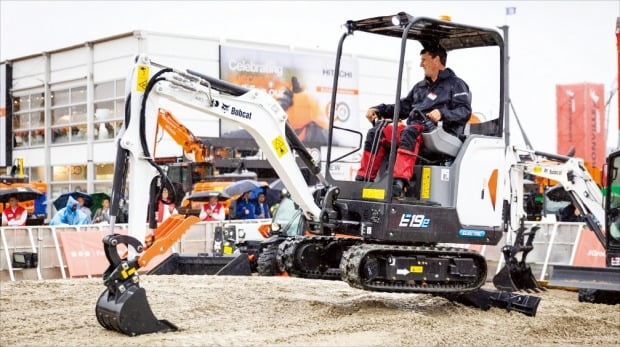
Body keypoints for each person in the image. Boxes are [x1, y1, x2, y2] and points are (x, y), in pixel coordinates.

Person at [356, 45, 472, 196]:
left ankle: (399, 182)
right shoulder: (421, 87)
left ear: (436, 60)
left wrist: (442, 113)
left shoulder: (456, 84)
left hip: (442, 133)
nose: (420, 64)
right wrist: (379, 109)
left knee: (410, 131)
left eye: (424, 60)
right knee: (379, 131)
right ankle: (363, 179)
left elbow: (464, 111)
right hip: (417, 130)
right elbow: (403, 107)